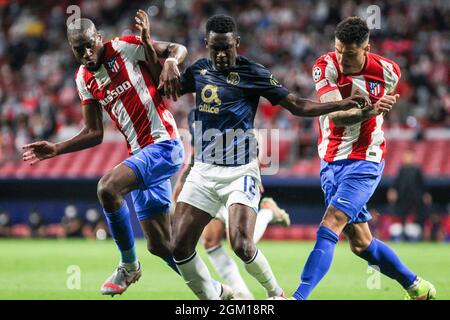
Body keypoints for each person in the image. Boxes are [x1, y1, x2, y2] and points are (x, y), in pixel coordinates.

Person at [170, 14, 371, 300]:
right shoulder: (198, 70)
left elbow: (296, 105)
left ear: (237, 43)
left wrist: (340, 104)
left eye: (227, 47)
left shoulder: (253, 72)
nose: (221, 54)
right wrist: (167, 62)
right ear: (206, 45)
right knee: (179, 246)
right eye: (215, 48)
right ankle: (216, 300)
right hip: (203, 170)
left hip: (240, 170)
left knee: (240, 243)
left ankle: (275, 294)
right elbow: (167, 87)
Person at [22, 10, 187, 296]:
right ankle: (218, 294)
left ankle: (128, 265)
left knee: (107, 188)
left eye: (89, 44)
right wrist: (56, 149)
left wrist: (171, 60)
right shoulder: (84, 79)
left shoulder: (123, 46)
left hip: (165, 144)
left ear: (99, 38)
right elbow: (94, 132)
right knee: (161, 245)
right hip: (141, 155)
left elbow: (176, 48)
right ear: (71, 50)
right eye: (78, 49)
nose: (86, 53)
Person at [290, 17, 436, 300]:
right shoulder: (325, 66)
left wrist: (378, 110)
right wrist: (371, 110)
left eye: (351, 53)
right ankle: (417, 286)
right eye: (339, 49)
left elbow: (384, 105)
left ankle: (298, 297)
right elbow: (334, 114)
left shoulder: (389, 72)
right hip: (330, 158)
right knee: (361, 244)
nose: (343, 58)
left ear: (367, 47)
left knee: (331, 222)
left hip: (364, 159)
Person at [172, 109, 291, 299]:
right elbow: (195, 152)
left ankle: (267, 212)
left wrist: (254, 169)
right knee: (210, 241)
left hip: (235, 176)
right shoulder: (194, 113)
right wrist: (181, 182)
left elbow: (253, 135)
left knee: (240, 242)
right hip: (208, 178)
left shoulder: (227, 96)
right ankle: (241, 294)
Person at [387, 149, 432, 240]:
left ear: (413, 157)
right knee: (402, 217)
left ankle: (420, 237)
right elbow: (396, 183)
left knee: (418, 218)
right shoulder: (401, 169)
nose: (407, 158)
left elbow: (422, 184)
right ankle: (403, 236)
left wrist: (426, 194)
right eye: (405, 156)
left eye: (409, 156)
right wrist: (392, 191)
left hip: (416, 199)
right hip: (403, 198)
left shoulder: (417, 169)